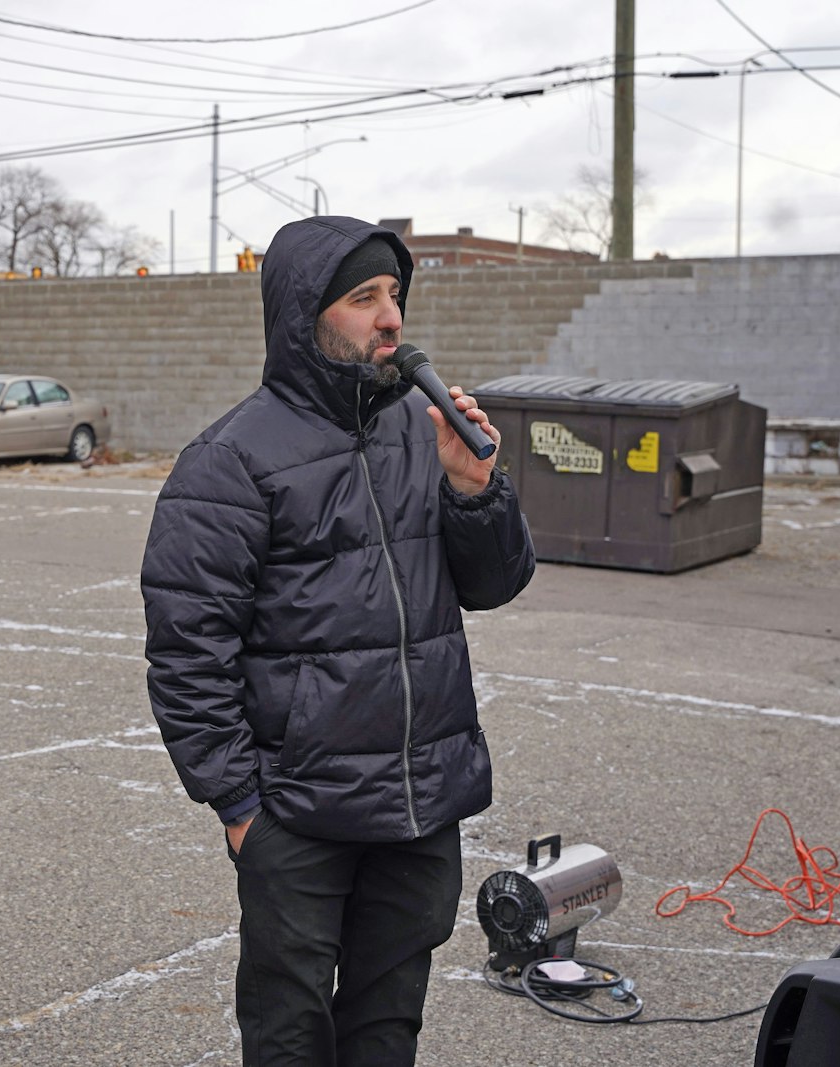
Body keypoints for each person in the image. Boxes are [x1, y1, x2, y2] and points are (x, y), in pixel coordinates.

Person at [140, 216, 535, 1067]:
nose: (391, 317)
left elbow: (494, 584)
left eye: (395, 295)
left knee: (388, 1028)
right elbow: (187, 654)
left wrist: (475, 492)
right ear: (305, 314)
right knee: (289, 1033)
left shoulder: (419, 431)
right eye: (364, 298)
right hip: (299, 812)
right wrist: (242, 808)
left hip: (419, 799)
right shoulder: (228, 461)